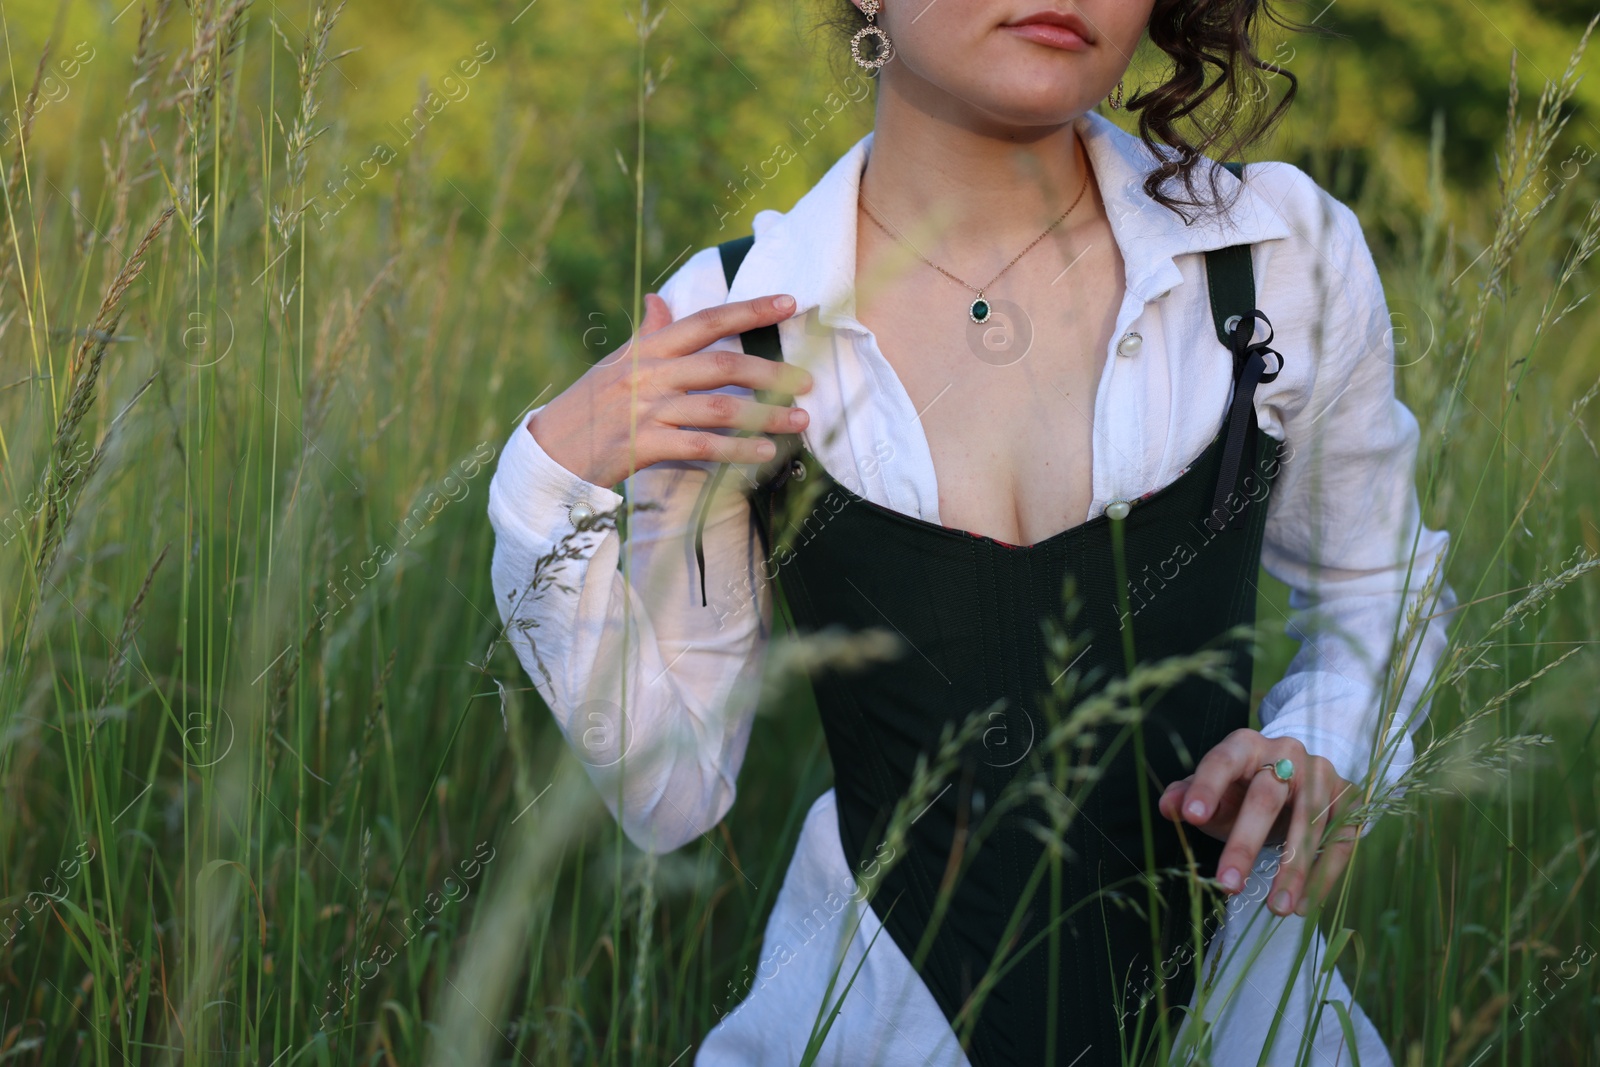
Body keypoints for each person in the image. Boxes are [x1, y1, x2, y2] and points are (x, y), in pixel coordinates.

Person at [487, 1, 1456, 1063]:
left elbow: (1374, 585)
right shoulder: (740, 317)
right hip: (874, 1026)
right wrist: (546, 488)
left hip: (1248, 1024)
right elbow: (668, 788)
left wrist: (1319, 739)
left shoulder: (1272, 255)